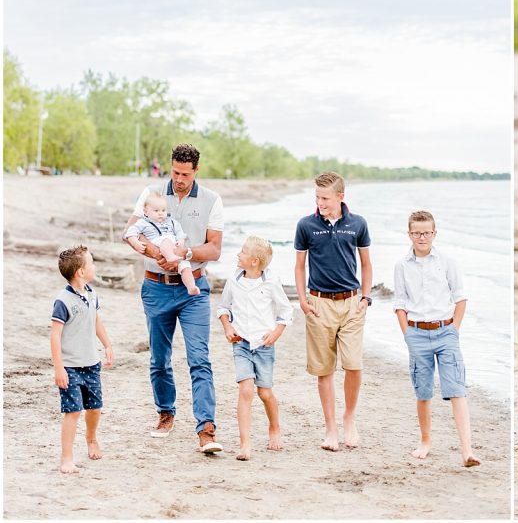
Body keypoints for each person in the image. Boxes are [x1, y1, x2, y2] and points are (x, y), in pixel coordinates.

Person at [124, 143, 224, 453]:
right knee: (158, 358)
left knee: (199, 358)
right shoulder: (151, 193)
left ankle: (206, 428)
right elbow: (129, 232)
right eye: (175, 172)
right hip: (156, 286)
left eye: (185, 174)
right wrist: (157, 253)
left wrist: (186, 253)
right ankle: (165, 413)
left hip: (193, 287)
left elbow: (215, 249)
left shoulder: (211, 200)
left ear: (196, 171)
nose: (178, 179)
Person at [393, 210, 480, 467]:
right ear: (409, 234)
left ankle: (467, 451)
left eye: (427, 232)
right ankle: (425, 441)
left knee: (457, 390)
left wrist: (454, 328)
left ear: (434, 233)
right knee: (423, 392)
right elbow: (399, 303)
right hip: (416, 332)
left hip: (446, 332)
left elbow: (460, 297)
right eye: (417, 233)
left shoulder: (446, 261)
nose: (422, 237)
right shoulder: (402, 265)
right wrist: (407, 334)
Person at [294, 171, 373, 451]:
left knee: (354, 365)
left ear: (341, 197)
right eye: (317, 197)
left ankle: (349, 418)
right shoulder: (306, 225)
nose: (320, 203)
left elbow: (365, 264)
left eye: (325, 198)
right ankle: (330, 429)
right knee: (324, 370)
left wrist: (365, 298)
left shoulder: (358, 224)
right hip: (319, 304)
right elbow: (300, 266)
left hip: (351, 303)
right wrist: (303, 300)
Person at [217, 235, 294, 461]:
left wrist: (276, 333)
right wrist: (227, 327)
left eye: (242, 252)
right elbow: (223, 307)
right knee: (246, 390)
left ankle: (274, 428)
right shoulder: (233, 281)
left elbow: (286, 312)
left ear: (254, 261)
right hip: (240, 342)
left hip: (263, 345)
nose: (238, 254)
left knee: (265, 393)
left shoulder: (271, 283)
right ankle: (245, 444)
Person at [50, 246, 114, 473]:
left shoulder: (91, 293)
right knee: (73, 411)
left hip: (91, 363)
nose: (95, 266)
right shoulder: (63, 301)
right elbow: (55, 335)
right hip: (70, 366)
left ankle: (91, 438)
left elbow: (96, 321)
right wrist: (59, 369)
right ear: (80, 272)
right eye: (92, 263)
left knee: (95, 408)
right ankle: (67, 458)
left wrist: (107, 344)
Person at [125, 191, 198, 295]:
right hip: (157, 241)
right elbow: (130, 232)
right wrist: (135, 242)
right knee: (166, 241)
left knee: (185, 266)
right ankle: (170, 257)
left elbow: (179, 232)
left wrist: (180, 241)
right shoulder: (143, 222)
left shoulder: (171, 221)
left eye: (163, 210)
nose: (160, 213)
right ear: (145, 211)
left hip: (173, 247)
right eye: (156, 210)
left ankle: (191, 287)